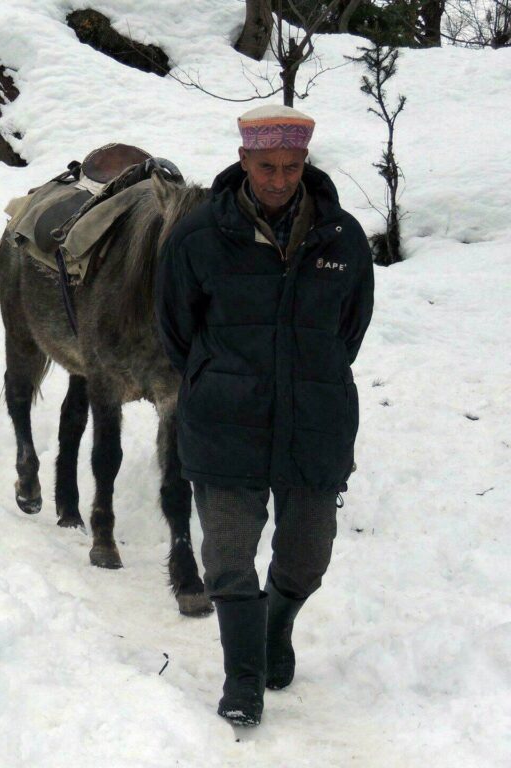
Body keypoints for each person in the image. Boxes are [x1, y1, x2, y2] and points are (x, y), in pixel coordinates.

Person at [155, 104, 374, 726]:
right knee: (227, 554)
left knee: (308, 554)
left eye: (291, 166)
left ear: (305, 162)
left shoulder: (343, 237)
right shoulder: (198, 237)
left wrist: (312, 375)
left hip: (315, 420)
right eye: (267, 165)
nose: (279, 179)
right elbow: (177, 330)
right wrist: (216, 377)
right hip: (225, 420)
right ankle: (242, 675)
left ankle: (275, 630)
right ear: (244, 159)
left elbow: (348, 330)